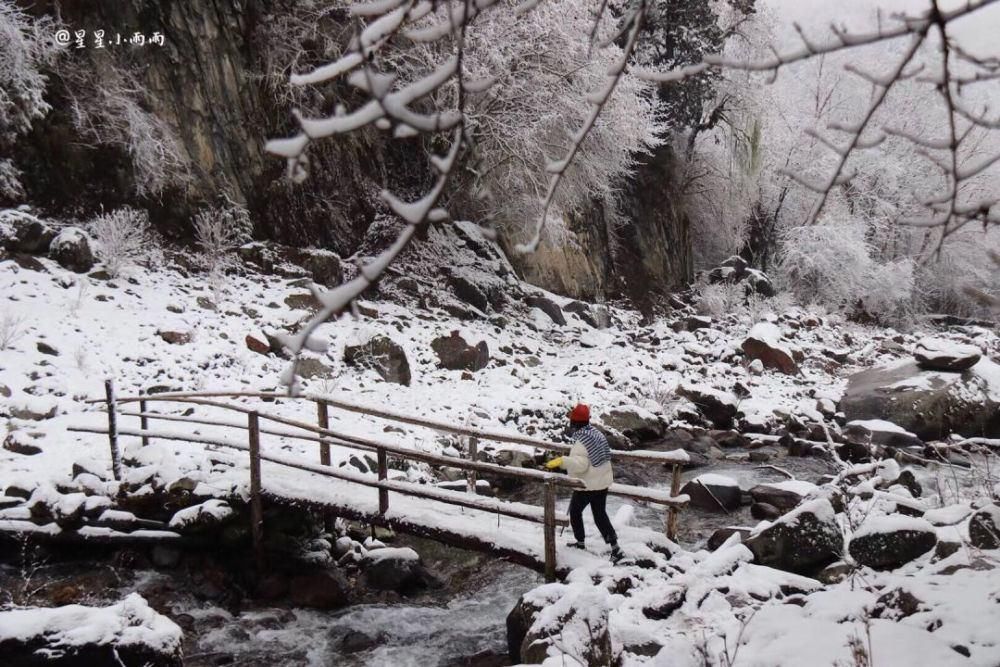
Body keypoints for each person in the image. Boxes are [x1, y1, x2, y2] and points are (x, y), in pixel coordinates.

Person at [545, 403, 624, 562]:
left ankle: (580, 543)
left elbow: (581, 465)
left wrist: (563, 461)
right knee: (600, 515)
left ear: (574, 423)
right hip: (602, 483)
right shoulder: (596, 434)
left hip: (588, 485)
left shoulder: (582, 440)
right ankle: (615, 547)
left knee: (575, 512)